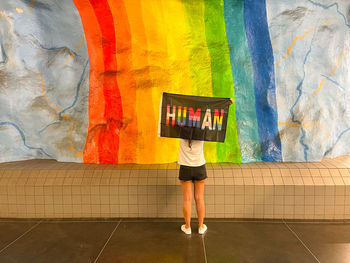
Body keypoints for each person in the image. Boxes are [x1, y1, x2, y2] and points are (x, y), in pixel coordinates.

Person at [178, 98, 233, 235]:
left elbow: (170, 119)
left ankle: (188, 227)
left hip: (185, 167)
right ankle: (201, 227)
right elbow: (215, 118)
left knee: (187, 199)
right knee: (199, 198)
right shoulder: (202, 131)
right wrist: (227, 105)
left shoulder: (179, 133)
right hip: (199, 167)